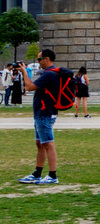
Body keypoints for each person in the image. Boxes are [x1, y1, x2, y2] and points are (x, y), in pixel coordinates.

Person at [19, 48, 71, 185]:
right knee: (40, 144)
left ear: (47, 59)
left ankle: (52, 176)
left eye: (39, 59)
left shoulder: (49, 74)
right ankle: (37, 173)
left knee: (48, 144)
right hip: (41, 113)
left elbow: (29, 87)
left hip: (45, 113)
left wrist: (24, 72)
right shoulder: (48, 73)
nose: (38, 62)